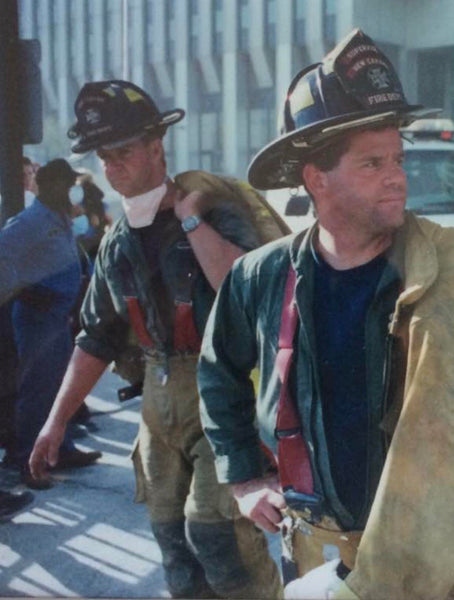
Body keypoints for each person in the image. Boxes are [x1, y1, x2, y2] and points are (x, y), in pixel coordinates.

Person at [197, 28, 454, 600]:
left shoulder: (442, 269)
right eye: (371, 163)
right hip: (316, 548)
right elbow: (218, 372)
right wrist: (243, 477)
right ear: (316, 178)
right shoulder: (261, 277)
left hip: (429, 555)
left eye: (397, 158)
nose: (396, 176)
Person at [29, 80, 283, 599]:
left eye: (123, 151)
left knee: (218, 539)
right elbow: (97, 337)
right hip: (158, 401)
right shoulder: (117, 241)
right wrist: (54, 424)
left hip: (226, 394)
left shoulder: (213, 209)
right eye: (105, 156)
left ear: (155, 147)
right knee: (174, 548)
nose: (113, 166)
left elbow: (244, 286)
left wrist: (190, 216)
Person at [0, 159, 102, 490]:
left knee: (59, 386)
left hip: (58, 316)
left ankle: (61, 450)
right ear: (48, 185)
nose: (68, 189)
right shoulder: (30, 220)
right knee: (35, 390)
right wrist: (23, 289)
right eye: (64, 183)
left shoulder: (58, 215)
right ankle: (26, 461)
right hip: (36, 316)